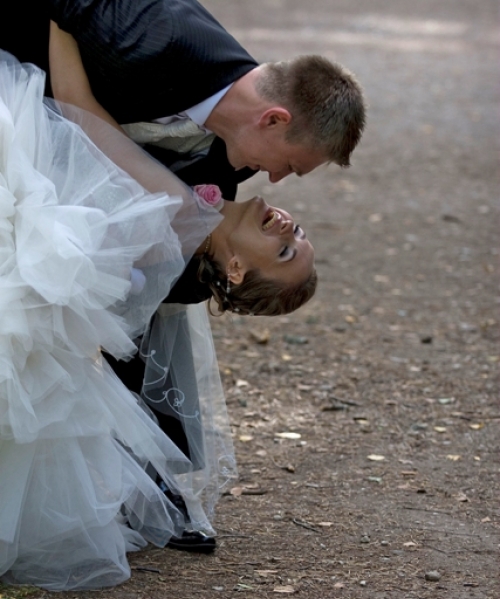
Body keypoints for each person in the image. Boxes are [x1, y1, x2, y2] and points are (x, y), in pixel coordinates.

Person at [1, 1, 366, 552]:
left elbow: (82, 110)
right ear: (274, 120)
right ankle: (152, 480)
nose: (275, 179)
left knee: (145, 304)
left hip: (51, 154)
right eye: (289, 163)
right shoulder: (159, 38)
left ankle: (151, 479)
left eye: (287, 249)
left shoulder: (209, 181)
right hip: (22, 79)